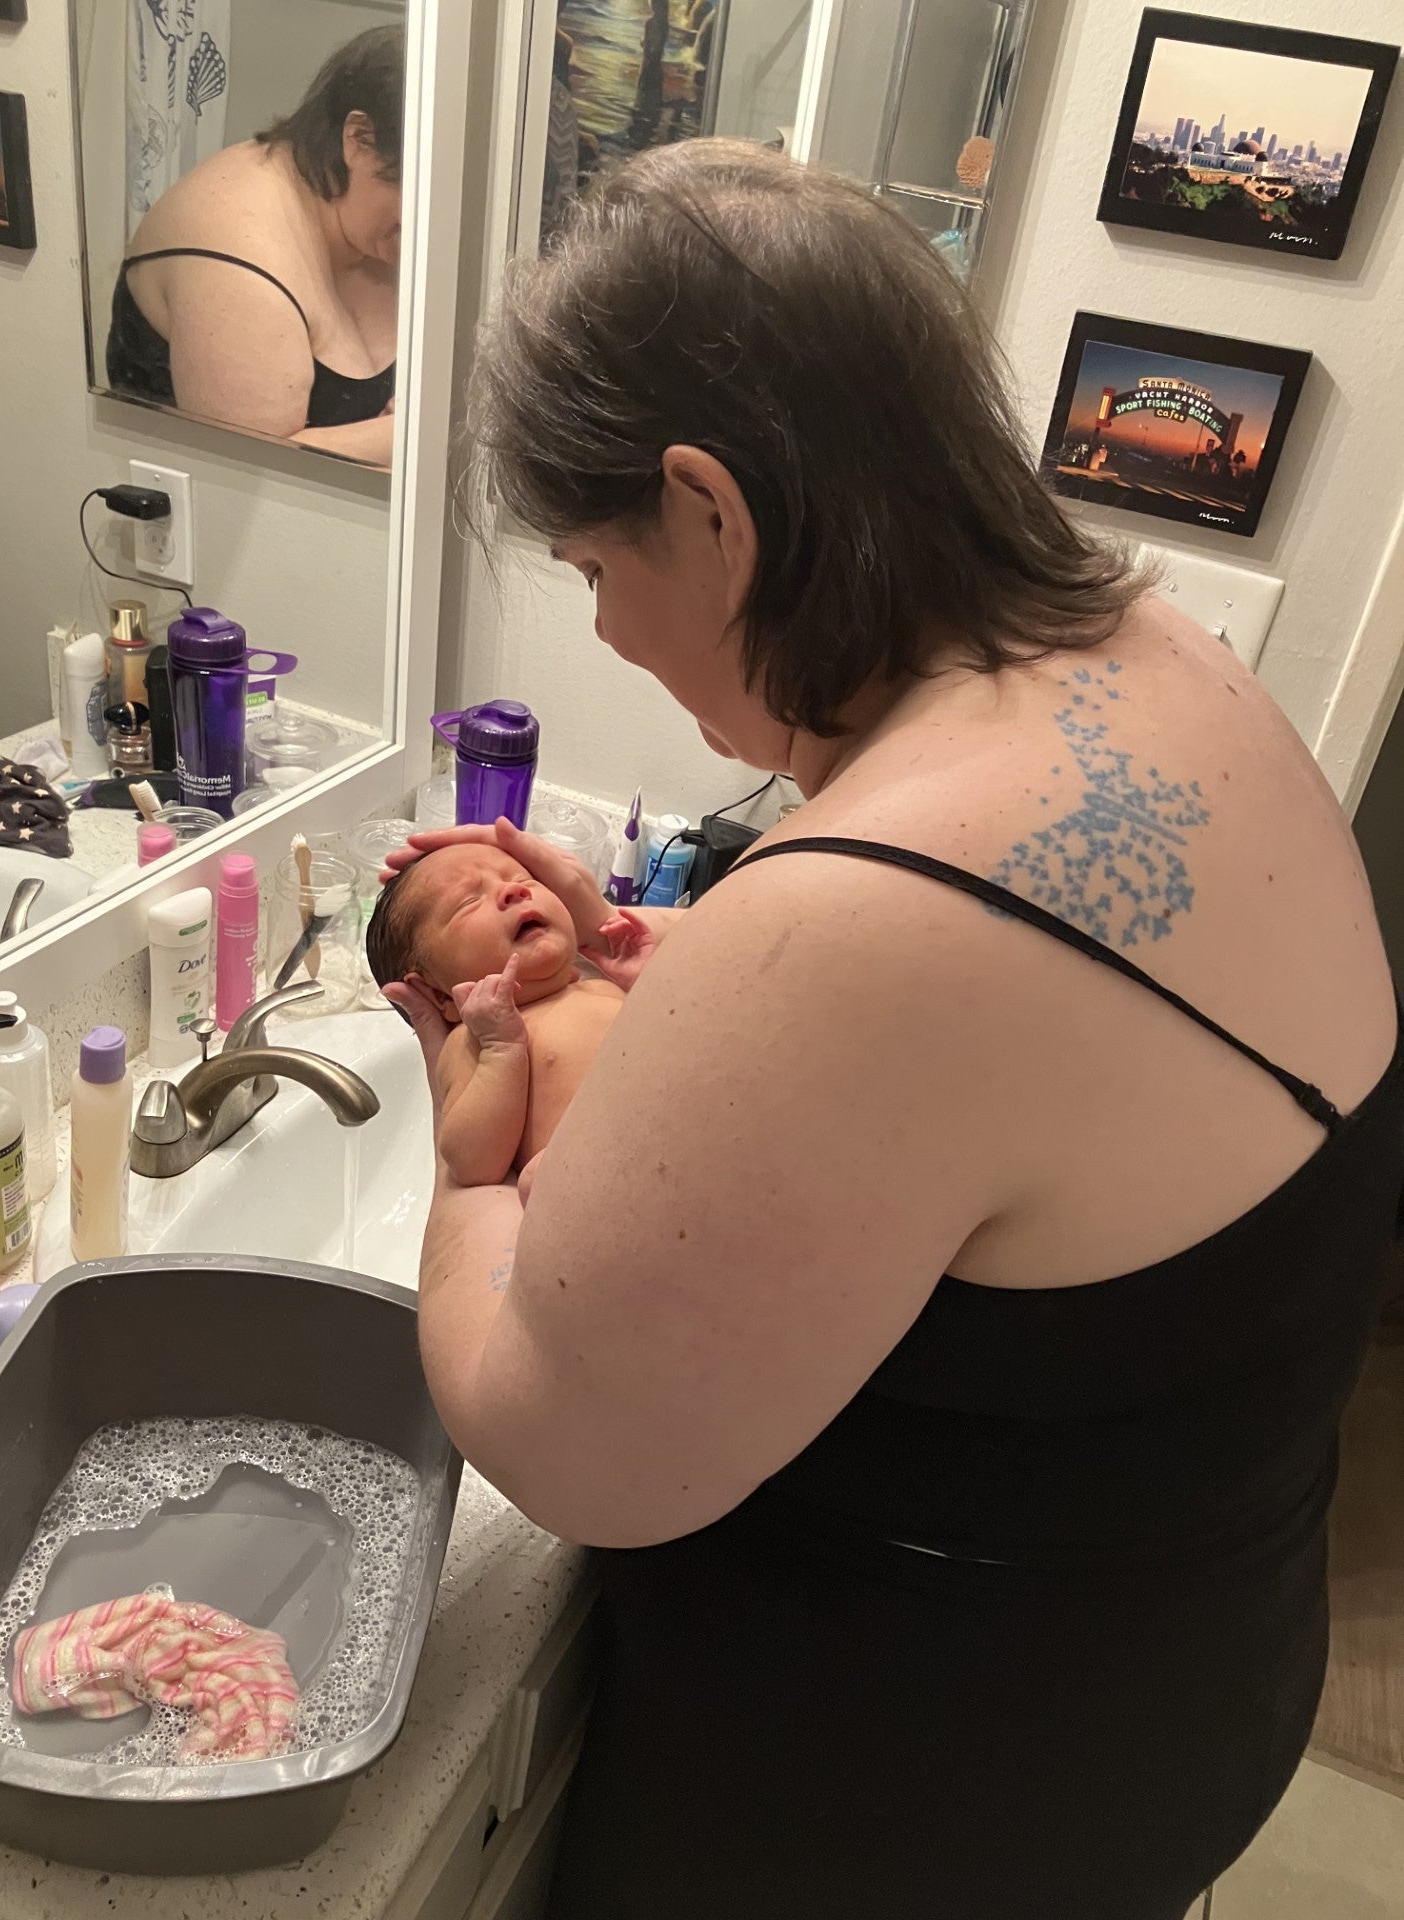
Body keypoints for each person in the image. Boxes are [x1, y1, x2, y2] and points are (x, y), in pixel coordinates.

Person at [379, 141, 1403, 1919]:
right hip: (1182, 1670)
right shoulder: (1155, 651)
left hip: (913, 1806)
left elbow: (567, 1450)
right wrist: (645, 940)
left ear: (711, 506)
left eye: (600, 567)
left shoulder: (863, 925)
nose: (610, 627)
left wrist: (468, 1173)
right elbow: (1022, 1023)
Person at [106, 26, 403, 467]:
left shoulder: (373, 223)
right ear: (358, 139)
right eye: (418, 191)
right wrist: (408, 432)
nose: (428, 226)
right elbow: (257, 479)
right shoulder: (238, 260)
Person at [364, 841, 653, 1188]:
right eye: (468, 901)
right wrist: (502, 1049)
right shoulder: (474, 1044)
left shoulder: (602, 986)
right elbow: (471, 1164)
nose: (512, 890)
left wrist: (652, 980)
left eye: (523, 878)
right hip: (614, 1191)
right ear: (437, 993)